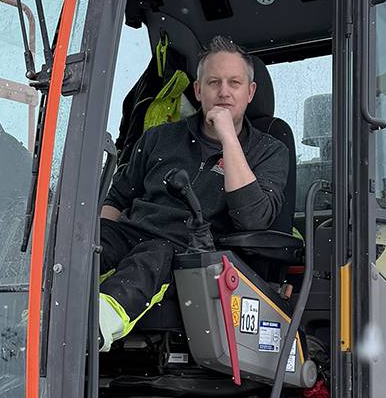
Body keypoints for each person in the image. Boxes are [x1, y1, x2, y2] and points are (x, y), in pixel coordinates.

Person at [98, 36, 289, 349]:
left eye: (234, 83)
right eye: (214, 82)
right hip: (132, 235)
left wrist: (229, 138)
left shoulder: (269, 151)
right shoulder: (159, 138)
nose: (224, 92)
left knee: (153, 255)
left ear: (250, 92)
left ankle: (92, 327)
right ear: (198, 90)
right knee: (87, 242)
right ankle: (37, 315)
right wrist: (97, 239)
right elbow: (117, 199)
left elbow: (253, 218)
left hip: (193, 256)